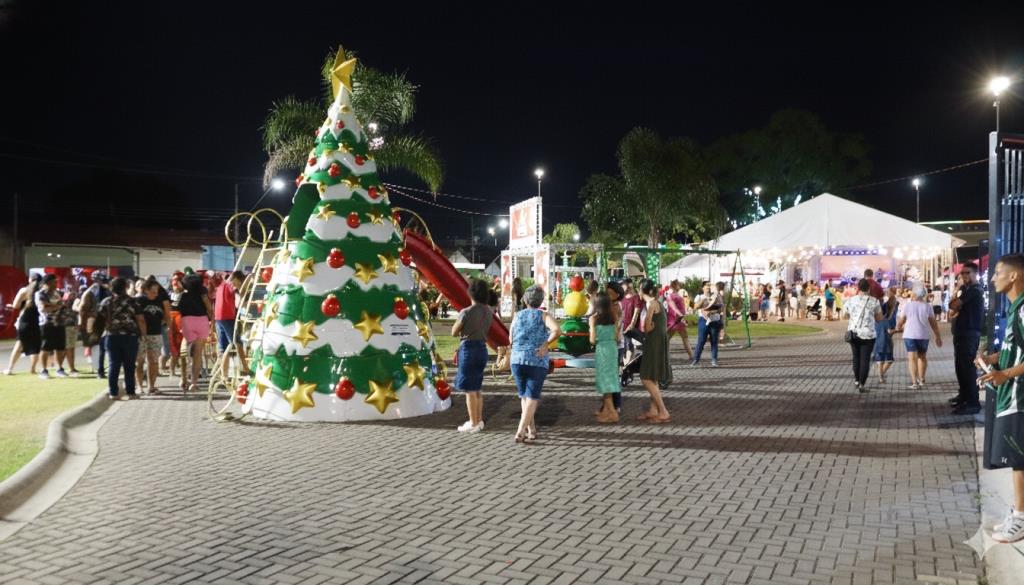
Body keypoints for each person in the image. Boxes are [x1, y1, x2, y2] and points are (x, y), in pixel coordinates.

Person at [977, 254, 1024, 543]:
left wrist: (1005, 373)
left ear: (1014, 277)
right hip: (1012, 395)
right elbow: (1015, 347)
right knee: (1018, 459)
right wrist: (991, 359)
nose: (993, 278)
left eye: (997, 273)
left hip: (1019, 396)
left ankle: (1020, 516)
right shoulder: (1015, 308)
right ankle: (1018, 511)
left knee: (1020, 459)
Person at [510, 285, 560, 443]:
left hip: (517, 359)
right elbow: (557, 330)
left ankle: (531, 429)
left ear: (525, 300)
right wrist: (546, 344)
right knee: (532, 396)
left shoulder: (517, 316)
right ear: (541, 301)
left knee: (524, 395)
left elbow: (510, 338)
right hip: (536, 360)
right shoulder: (543, 316)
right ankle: (521, 429)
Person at [452, 279, 493, 433]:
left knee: (469, 389)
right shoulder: (489, 311)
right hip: (482, 349)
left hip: (468, 349)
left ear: (471, 293)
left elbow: (454, 332)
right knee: (477, 387)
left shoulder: (466, 312)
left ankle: (473, 423)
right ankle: (479, 420)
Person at [98, 277, 146, 400]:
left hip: (111, 336)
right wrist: (143, 335)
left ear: (111, 288)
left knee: (114, 365)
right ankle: (130, 392)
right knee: (129, 365)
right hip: (130, 337)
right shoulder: (133, 302)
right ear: (125, 287)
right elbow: (140, 319)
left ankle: (113, 393)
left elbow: (100, 319)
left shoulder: (106, 302)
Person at [948, 262, 984, 414]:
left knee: (968, 369)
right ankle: (964, 396)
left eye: (968, 273)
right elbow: (951, 306)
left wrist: (956, 301)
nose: (964, 276)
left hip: (970, 333)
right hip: (961, 332)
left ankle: (973, 402)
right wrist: (956, 296)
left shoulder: (975, 290)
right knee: (960, 367)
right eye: (962, 273)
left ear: (976, 274)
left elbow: (955, 304)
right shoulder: (964, 289)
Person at [895, 284, 943, 389]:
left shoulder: (907, 305)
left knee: (912, 359)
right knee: (922, 357)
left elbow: (901, 320)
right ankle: (922, 379)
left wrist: (898, 326)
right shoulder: (928, 306)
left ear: (914, 293)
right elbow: (933, 323)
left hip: (910, 335)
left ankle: (914, 382)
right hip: (923, 335)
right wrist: (938, 336)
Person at [636, 279, 671, 422]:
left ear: (642, 290)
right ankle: (653, 409)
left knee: (645, 377)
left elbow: (647, 327)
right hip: (659, 342)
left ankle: (663, 411)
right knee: (653, 376)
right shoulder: (657, 303)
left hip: (653, 343)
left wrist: (648, 327)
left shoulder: (650, 304)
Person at [844, 278, 885, 393]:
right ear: (869, 288)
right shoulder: (874, 301)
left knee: (856, 357)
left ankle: (857, 380)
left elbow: (845, 315)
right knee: (865, 359)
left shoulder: (851, 300)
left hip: (854, 333)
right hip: (868, 334)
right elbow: (879, 318)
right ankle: (862, 384)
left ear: (858, 288)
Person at [178, 273, 213, 392]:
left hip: (187, 322)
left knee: (189, 354)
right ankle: (194, 383)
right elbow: (209, 307)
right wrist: (212, 317)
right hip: (202, 320)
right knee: (198, 354)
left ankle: (185, 379)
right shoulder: (202, 294)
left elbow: (179, 310)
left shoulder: (183, 296)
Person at [590, 292, 621, 423]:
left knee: (604, 380)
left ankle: (613, 413)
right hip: (612, 349)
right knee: (609, 379)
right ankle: (606, 411)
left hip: (602, 349)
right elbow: (617, 337)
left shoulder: (594, 319)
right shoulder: (614, 316)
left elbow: (592, 340)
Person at [3, 274, 42, 375]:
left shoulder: (24, 290)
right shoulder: (41, 292)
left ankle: (10, 368)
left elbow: (16, 305)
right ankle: (33, 369)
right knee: (35, 346)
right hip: (37, 320)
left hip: (25, 319)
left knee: (19, 343)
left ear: (30, 279)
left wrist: (11, 306)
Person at [134, 279, 167, 394]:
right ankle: (139, 386)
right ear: (146, 290)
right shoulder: (139, 300)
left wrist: (164, 324)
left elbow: (164, 315)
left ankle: (151, 386)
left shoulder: (159, 301)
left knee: (153, 361)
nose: (156, 294)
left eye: (157, 291)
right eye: (153, 291)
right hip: (140, 335)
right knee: (139, 361)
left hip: (156, 333)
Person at [215, 271, 249, 378]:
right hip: (227, 316)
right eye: (241, 282)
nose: (240, 285)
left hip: (218, 317)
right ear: (237, 279)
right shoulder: (231, 285)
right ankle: (245, 368)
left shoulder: (221, 285)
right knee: (237, 343)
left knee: (224, 348)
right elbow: (240, 303)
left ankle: (224, 375)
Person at [35, 274, 68, 379]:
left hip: (59, 322)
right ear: (48, 282)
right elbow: (43, 308)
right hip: (46, 323)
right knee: (45, 347)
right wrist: (57, 306)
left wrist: (55, 306)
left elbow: (62, 304)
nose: (56, 283)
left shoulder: (57, 293)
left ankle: (60, 369)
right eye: (54, 281)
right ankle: (44, 370)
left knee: (60, 347)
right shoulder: (40, 294)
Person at [79, 274, 110, 377]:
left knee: (103, 346)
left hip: (104, 322)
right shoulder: (89, 293)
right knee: (97, 346)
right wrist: (84, 325)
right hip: (93, 322)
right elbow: (82, 309)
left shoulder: (106, 291)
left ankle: (101, 369)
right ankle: (98, 369)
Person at [691, 281, 723, 367]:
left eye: (709, 285)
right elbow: (695, 307)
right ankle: (695, 359)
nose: (708, 287)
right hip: (703, 320)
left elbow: (720, 308)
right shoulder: (699, 297)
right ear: (703, 288)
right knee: (701, 341)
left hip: (714, 320)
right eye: (706, 286)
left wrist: (713, 311)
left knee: (714, 341)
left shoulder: (716, 296)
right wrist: (704, 300)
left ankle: (714, 360)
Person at [873, 286, 899, 384]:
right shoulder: (892, 303)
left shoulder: (887, 304)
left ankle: (881, 375)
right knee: (887, 356)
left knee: (882, 353)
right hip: (885, 328)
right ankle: (881, 375)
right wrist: (895, 329)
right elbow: (892, 317)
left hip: (880, 328)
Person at [664, 280, 694, 361]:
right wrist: (681, 316)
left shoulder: (677, 295)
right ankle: (663, 356)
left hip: (678, 320)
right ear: (674, 286)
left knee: (683, 338)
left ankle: (691, 356)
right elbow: (674, 308)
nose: (679, 286)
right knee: (667, 339)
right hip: (675, 320)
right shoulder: (670, 296)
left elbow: (685, 305)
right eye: (678, 284)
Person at [61, 283, 81, 376]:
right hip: (66, 326)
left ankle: (70, 367)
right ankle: (70, 368)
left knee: (70, 348)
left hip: (72, 325)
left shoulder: (75, 300)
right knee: (68, 348)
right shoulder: (63, 300)